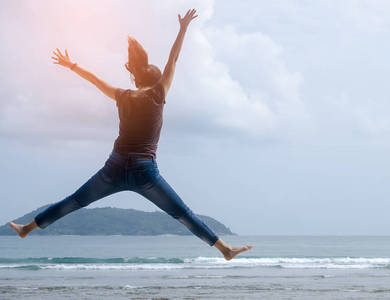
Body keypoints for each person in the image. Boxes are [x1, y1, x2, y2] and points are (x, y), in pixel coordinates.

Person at [7, 9, 252, 261]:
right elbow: (174, 59)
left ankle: (28, 228)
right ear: (157, 79)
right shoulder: (158, 93)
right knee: (181, 213)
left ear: (138, 78)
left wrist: (71, 65)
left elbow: (94, 80)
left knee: (76, 200)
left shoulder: (123, 95)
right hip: (144, 170)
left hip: (114, 166)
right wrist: (183, 29)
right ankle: (225, 249)